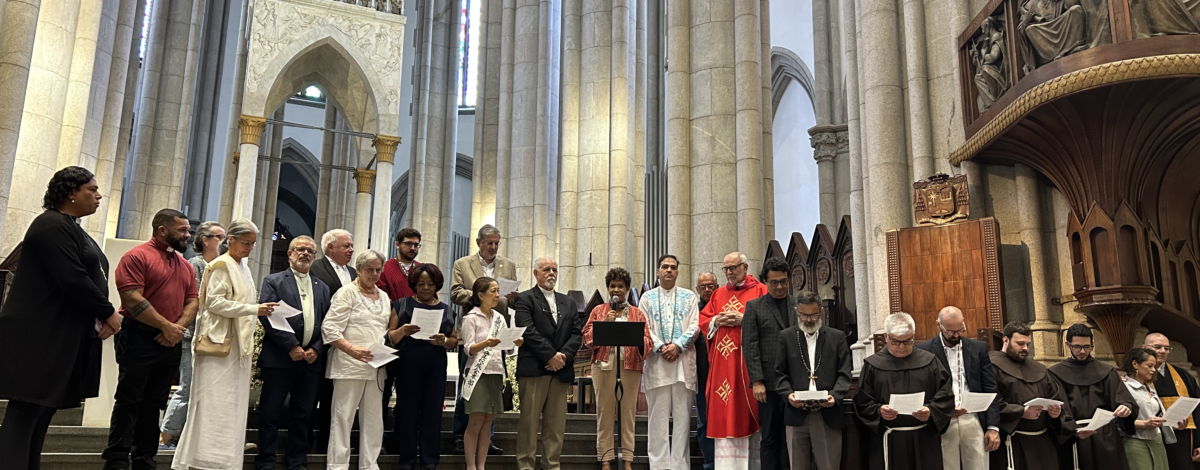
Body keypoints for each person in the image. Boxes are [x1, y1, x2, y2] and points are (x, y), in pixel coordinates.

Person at [0, 166, 119, 469]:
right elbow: (73, 278)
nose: (98, 195)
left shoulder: (71, 226)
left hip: (59, 335)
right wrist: (108, 313)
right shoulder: (51, 225)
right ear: (70, 193)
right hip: (38, 337)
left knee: (40, 414)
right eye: (91, 189)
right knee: (25, 414)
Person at [172, 219, 278, 470]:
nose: (250, 247)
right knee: (213, 403)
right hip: (219, 345)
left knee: (232, 404)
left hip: (238, 346)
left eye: (253, 243)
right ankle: (203, 459)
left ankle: (225, 459)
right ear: (229, 239)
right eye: (245, 242)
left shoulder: (245, 268)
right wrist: (254, 309)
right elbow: (214, 303)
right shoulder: (221, 265)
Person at [103, 208, 199, 470]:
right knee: (129, 400)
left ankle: (145, 458)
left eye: (188, 230)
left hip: (170, 341)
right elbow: (132, 298)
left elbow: (193, 300)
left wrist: (176, 329)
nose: (188, 235)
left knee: (154, 403)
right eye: (182, 230)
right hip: (138, 337)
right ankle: (117, 459)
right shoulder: (136, 256)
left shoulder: (185, 265)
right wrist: (166, 326)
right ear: (162, 230)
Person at [255, 235, 332, 470]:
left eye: (310, 251)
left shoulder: (322, 287)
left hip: (310, 362)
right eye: (300, 249)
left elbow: (328, 323)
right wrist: (291, 346)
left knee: (303, 414)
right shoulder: (274, 281)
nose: (305, 254)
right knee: (270, 413)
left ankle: (296, 462)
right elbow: (268, 316)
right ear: (290, 254)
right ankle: (266, 461)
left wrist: (316, 349)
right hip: (280, 358)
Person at [854, 312, 955, 470]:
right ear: (886, 337)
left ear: (914, 335)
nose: (901, 347)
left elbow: (946, 396)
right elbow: (862, 402)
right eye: (895, 342)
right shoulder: (873, 365)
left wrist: (931, 411)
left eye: (907, 341)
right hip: (889, 438)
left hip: (924, 438)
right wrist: (879, 411)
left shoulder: (930, 361)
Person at [449, 224, 517, 455]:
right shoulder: (462, 264)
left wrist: (510, 297)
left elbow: (511, 300)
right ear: (479, 242)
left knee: (492, 391)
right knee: (467, 387)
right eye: (489, 243)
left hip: (497, 332)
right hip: (473, 330)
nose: (493, 247)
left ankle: (487, 439)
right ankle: (460, 435)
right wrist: (481, 293)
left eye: (497, 243)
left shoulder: (507, 265)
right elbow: (455, 293)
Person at [699, 252, 769, 470]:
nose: (729, 272)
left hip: (749, 366)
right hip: (722, 367)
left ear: (745, 267)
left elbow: (770, 321)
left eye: (733, 268)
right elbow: (703, 320)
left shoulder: (760, 290)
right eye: (726, 269)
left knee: (749, 410)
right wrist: (717, 320)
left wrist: (745, 319)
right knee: (724, 410)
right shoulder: (718, 294)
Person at [322, 249, 391, 470]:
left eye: (378, 270)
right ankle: (337, 465)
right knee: (343, 418)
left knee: (374, 420)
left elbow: (383, 330)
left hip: (375, 367)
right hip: (348, 366)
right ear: (358, 269)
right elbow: (330, 328)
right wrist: (351, 349)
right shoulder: (347, 293)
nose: (373, 274)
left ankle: (369, 465)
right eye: (369, 269)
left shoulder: (384, 297)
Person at [386, 263, 458, 470]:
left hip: (435, 366)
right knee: (407, 413)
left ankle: (429, 462)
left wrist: (444, 340)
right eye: (421, 284)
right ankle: (406, 461)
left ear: (437, 285)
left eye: (430, 284)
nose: (426, 288)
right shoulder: (401, 305)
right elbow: (391, 336)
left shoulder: (446, 309)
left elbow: (455, 340)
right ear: (414, 285)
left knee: (432, 414)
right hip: (408, 365)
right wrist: (403, 331)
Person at [160, 221, 224, 450]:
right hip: (193, 335)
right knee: (188, 386)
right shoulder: (194, 265)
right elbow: (196, 300)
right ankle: (166, 436)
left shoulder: (221, 266)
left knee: (203, 389)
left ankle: (192, 437)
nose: (223, 241)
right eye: (219, 236)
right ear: (205, 239)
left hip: (213, 338)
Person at [513, 257, 582, 470]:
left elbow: (576, 333)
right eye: (546, 269)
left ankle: (552, 465)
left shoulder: (568, 302)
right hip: (534, 368)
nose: (551, 273)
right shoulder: (524, 299)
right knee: (529, 423)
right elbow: (527, 330)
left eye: (554, 269)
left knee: (556, 426)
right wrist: (550, 356)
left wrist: (563, 356)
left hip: (560, 370)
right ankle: (526, 466)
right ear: (536, 273)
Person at [582, 267, 654, 470]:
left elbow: (647, 341)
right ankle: (605, 458)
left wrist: (636, 337)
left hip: (630, 366)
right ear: (608, 288)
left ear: (627, 288)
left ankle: (628, 460)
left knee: (628, 413)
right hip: (603, 366)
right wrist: (604, 324)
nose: (616, 290)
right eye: (612, 286)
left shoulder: (637, 313)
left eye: (620, 286)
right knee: (604, 413)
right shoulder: (599, 311)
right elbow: (586, 338)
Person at [772, 291, 852, 470]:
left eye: (814, 315)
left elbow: (845, 374)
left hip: (827, 414)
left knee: (828, 466)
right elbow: (779, 374)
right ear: (796, 311)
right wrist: (788, 395)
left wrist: (835, 396)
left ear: (821, 311)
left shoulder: (836, 337)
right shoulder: (786, 337)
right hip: (796, 413)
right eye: (804, 315)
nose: (809, 320)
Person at [915, 306, 1001, 470]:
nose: (956, 335)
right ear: (938, 325)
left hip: (974, 418)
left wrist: (992, 427)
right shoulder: (924, 351)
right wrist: (940, 410)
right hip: (943, 421)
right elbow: (923, 389)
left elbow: (991, 388)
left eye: (960, 330)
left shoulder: (978, 348)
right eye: (951, 331)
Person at [989, 321, 1076, 470]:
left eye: (1028, 344)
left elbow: (1055, 397)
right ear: (1005, 340)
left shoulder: (1039, 369)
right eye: (1020, 343)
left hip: (1043, 441)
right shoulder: (991, 365)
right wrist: (1021, 412)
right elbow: (991, 402)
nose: (1025, 348)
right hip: (1014, 441)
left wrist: (1055, 413)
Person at [641, 255, 701, 470]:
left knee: (683, 419)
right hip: (657, 365)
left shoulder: (689, 296)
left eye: (673, 267)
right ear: (657, 271)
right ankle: (658, 465)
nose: (669, 270)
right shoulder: (647, 298)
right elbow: (643, 327)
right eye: (665, 267)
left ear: (677, 272)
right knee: (657, 419)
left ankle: (680, 465)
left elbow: (695, 326)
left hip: (683, 365)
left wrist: (678, 346)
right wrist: (660, 347)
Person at [1048, 323, 1136, 470]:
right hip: (1075, 436)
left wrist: (1125, 407)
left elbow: (1123, 399)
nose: (1083, 351)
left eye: (1087, 347)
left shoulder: (1106, 371)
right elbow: (1060, 407)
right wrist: (1071, 429)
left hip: (1106, 436)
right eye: (1077, 347)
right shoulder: (1056, 373)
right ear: (1067, 344)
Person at [460, 277, 521, 470]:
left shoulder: (499, 318)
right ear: (480, 295)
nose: (497, 295)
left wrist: (515, 343)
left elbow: (505, 347)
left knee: (488, 421)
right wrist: (486, 343)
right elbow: (468, 348)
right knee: (476, 420)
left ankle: (482, 465)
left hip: (495, 372)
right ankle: (471, 466)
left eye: (498, 291)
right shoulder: (471, 318)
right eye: (493, 291)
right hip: (478, 373)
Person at [741, 257, 796, 470]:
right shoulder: (754, 307)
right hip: (768, 383)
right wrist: (757, 381)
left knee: (790, 437)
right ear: (765, 281)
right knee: (770, 437)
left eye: (783, 281)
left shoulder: (798, 304)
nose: (779, 286)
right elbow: (750, 345)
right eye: (774, 282)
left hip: (795, 381)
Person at [309, 228, 356, 452]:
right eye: (346, 246)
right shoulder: (316, 268)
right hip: (321, 343)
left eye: (351, 245)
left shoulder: (354, 273)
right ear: (330, 247)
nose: (351, 249)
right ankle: (309, 442)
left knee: (335, 397)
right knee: (314, 395)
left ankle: (329, 442)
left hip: (348, 345)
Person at [377, 227, 421, 435]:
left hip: (416, 340)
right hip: (391, 337)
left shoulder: (422, 269)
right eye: (408, 244)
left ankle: (402, 434)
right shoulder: (386, 268)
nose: (412, 248)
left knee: (409, 392)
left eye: (416, 245)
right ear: (398, 244)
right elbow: (382, 299)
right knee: (384, 389)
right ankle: (381, 434)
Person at [1143, 332, 1200, 468]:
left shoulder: (1183, 376)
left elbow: (1198, 410)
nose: (1162, 351)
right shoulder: (1136, 378)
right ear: (1144, 347)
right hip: (1152, 436)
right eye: (1157, 347)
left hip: (1183, 438)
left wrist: (1199, 443)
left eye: (1166, 348)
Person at [1122, 347, 1185, 470]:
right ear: (1135, 364)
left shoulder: (1149, 387)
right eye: (1149, 366)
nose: (1153, 370)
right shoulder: (1124, 386)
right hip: (1135, 441)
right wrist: (1144, 423)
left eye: (1154, 366)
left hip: (1156, 440)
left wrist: (1174, 424)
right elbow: (1117, 421)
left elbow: (1158, 415)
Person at [694, 271, 719, 470]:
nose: (707, 290)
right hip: (702, 376)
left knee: (724, 419)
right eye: (703, 287)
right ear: (697, 290)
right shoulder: (693, 311)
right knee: (704, 422)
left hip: (724, 376)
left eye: (711, 285)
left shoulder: (724, 308)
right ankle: (709, 462)